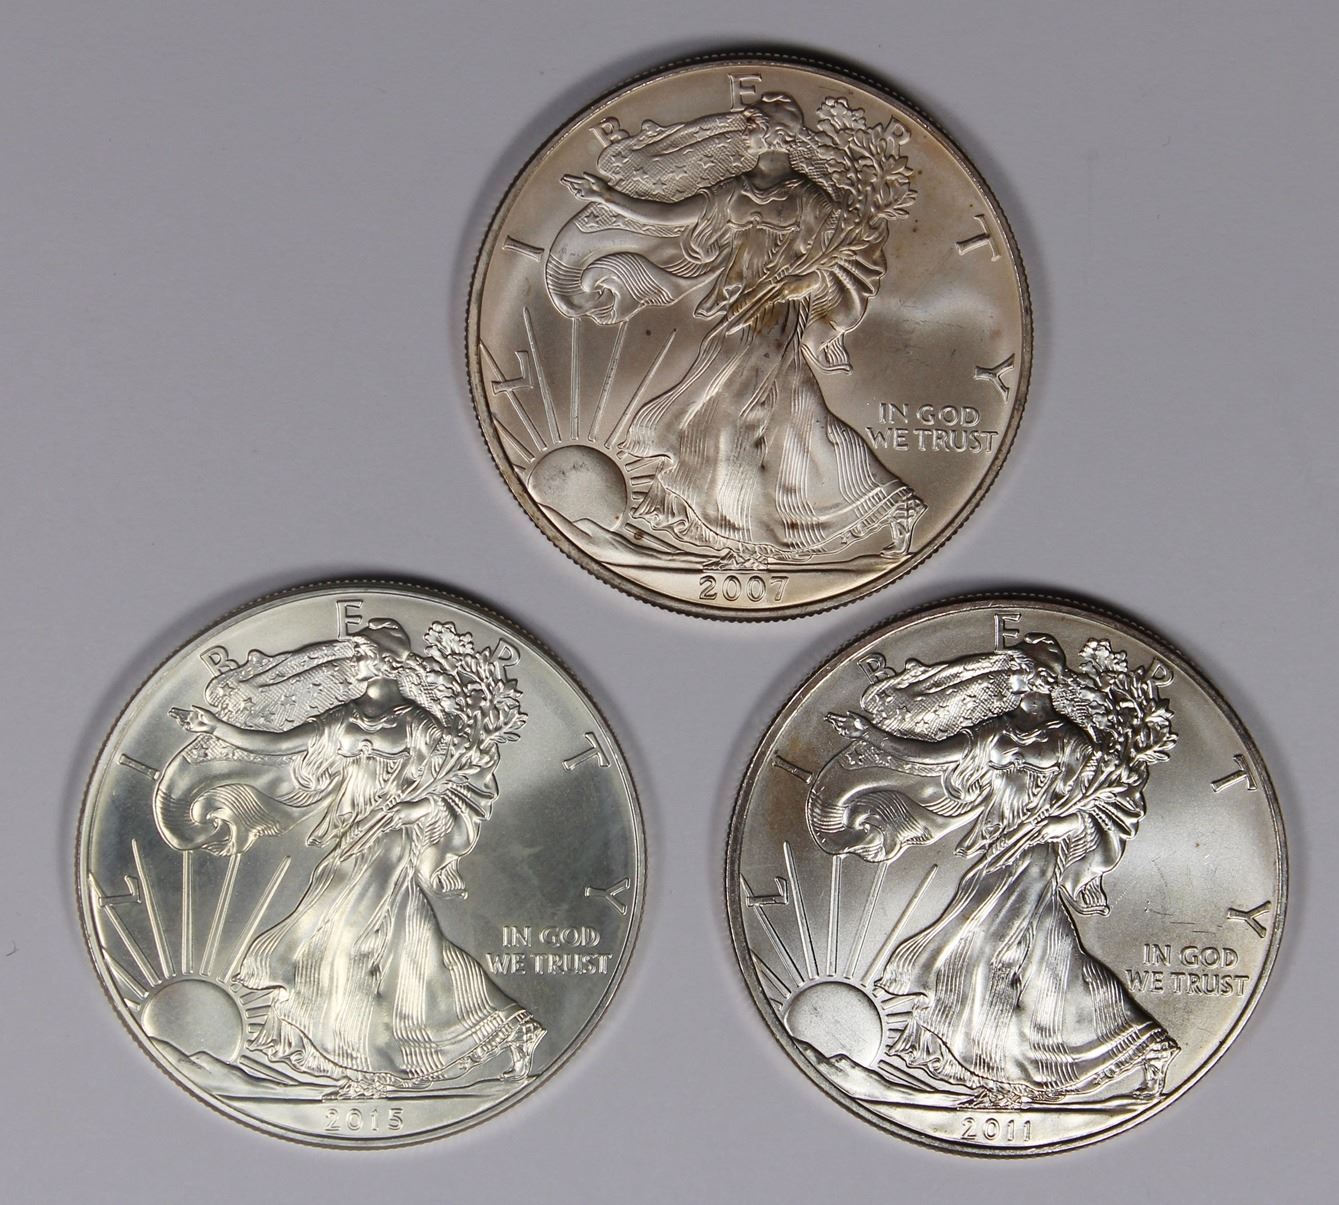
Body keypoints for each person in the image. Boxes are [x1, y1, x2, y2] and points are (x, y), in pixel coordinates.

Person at [163, 619, 543, 1096]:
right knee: (408, 951)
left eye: (362, 654)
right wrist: (218, 727)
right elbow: (279, 745)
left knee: (347, 944)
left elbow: (458, 784)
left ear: (386, 663)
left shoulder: (419, 726)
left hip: (390, 843)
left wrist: (415, 808)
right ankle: (509, 1028)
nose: (353, 661)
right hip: (351, 839)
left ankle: (366, 1069)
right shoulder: (343, 718)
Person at [553, 94, 924, 566]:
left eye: (754, 126)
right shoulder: (734, 191)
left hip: (776, 316)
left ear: (777, 136)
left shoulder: (810, 200)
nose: (747, 134)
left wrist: (802, 282)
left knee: (731, 408)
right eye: (750, 125)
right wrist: (609, 198)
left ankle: (738, 533)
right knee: (790, 417)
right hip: (738, 310)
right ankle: (882, 505)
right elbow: (671, 215)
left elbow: (847, 258)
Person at [820, 636, 1177, 1105]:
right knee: (1044, 962)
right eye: (1017, 667)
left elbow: (1110, 801)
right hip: (996, 854)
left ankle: (998, 1075)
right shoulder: (996, 732)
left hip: (1034, 857)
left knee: (986, 952)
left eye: (1023, 668)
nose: (1015, 675)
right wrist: (869, 733)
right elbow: (930, 755)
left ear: (1043, 678)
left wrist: (1060, 823)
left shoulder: (1069, 741)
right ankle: (1138, 1048)